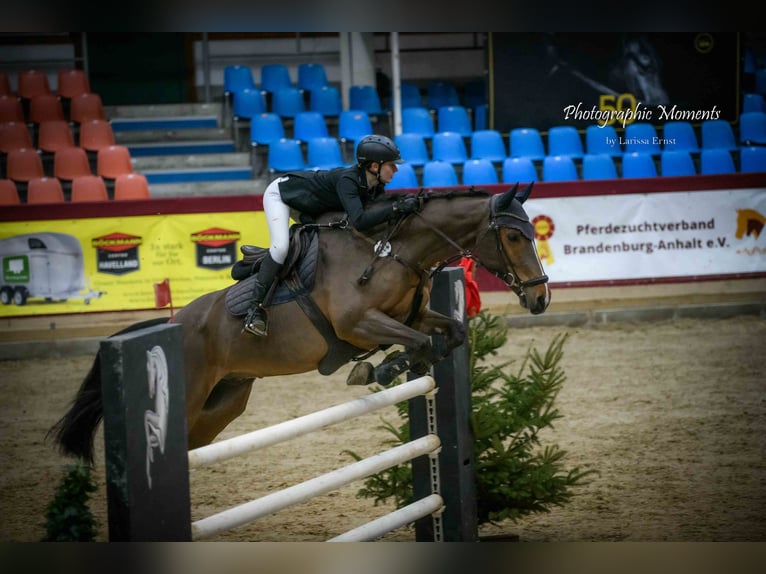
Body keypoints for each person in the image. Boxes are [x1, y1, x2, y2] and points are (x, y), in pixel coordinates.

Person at [243, 134, 421, 336]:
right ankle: (254, 309)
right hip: (283, 196)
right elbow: (360, 221)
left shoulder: (374, 185)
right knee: (281, 247)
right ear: (374, 167)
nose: (396, 169)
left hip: (311, 205)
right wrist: (397, 208)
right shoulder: (349, 180)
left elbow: (379, 214)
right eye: (392, 165)